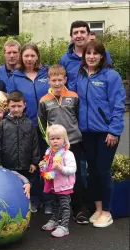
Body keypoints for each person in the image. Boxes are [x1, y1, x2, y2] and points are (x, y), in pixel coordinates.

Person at [76, 40, 126, 228]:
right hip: (87, 132)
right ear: (84, 55)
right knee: (93, 171)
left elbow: (118, 105)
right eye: (88, 53)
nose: (91, 56)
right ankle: (97, 209)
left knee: (103, 171)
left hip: (106, 133)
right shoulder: (80, 75)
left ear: (102, 56)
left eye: (95, 53)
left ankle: (107, 211)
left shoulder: (111, 76)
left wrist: (114, 130)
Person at [38, 65, 87, 224]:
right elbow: (41, 123)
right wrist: (49, 142)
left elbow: (79, 117)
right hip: (55, 147)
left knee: (76, 175)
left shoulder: (73, 96)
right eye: (54, 80)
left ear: (65, 79)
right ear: (49, 81)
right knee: (57, 177)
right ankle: (58, 210)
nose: (57, 83)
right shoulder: (44, 100)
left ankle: (79, 209)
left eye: (60, 80)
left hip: (73, 142)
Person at [9, 44, 52, 213]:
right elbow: (13, 101)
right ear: (21, 57)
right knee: (32, 164)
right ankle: (33, 198)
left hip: (47, 127)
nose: (29, 59)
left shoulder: (46, 73)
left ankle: (49, 200)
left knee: (48, 164)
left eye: (32, 55)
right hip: (27, 126)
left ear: (37, 56)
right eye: (26, 55)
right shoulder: (16, 76)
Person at [0, 91, 39, 203]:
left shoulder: (29, 123)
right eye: (13, 106)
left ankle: (31, 203)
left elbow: (35, 143)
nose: (16, 109)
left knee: (28, 185)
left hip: (26, 164)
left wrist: (34, 162)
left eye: (19, 106)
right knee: (10, 188)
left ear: (24, 105)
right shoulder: (2, 124)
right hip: (8, 164)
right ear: (7, 106)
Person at [40, 125, 76, 238]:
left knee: (65, 205)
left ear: (64, 139)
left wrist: (61, 168)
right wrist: (43, 166)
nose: (55, 141)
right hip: (52, 184)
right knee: (54, 203)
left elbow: (73, 169)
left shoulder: (68, 154)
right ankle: (55, 220)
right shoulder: (49, 152)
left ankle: (64, 226)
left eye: (58, 138)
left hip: (63, 185)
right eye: (52, 138)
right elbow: (47, 167)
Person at [59, 21, 112, 92]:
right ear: (71, 37)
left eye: (82, 32)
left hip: (97, 101)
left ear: (89, 35)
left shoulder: (102, 53)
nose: (79, 35)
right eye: (75, 33)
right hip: (74, 101)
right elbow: (62, 83)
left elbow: (110, 78)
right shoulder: (64, 59)